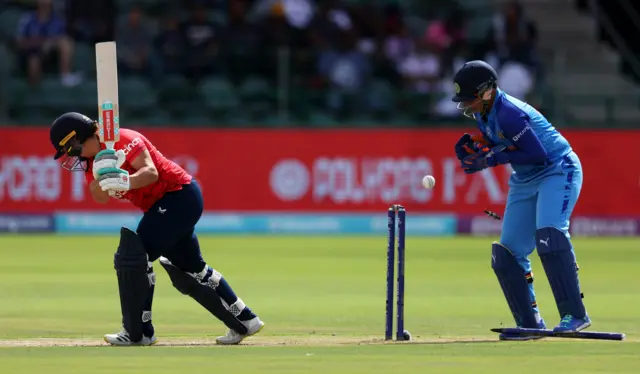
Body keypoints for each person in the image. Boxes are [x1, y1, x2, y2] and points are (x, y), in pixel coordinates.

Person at [48, 112, 264, 346]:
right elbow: (98, 196)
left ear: (78, 137)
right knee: (190, 270)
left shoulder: (124, 139)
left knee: (133, 257)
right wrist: (105, 174)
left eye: (71, 150)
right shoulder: (94, 163)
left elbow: (150, 173)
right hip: (163, 207)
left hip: (178, 195)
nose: (72, 157)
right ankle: (244, 320)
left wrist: (126, 180)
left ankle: (138, 332)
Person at [451, 61, 589, 341]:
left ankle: (575, 315)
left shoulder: (510, 113)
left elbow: (537, 154)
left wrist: (490, 159)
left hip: (558, 169)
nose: (467, 106)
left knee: (549, 235)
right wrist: (478, 144)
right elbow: (505, 143)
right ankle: (530, 323)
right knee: (507, 253)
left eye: (470, 99)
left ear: (487, 92)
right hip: (525, 179)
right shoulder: (484, 112)